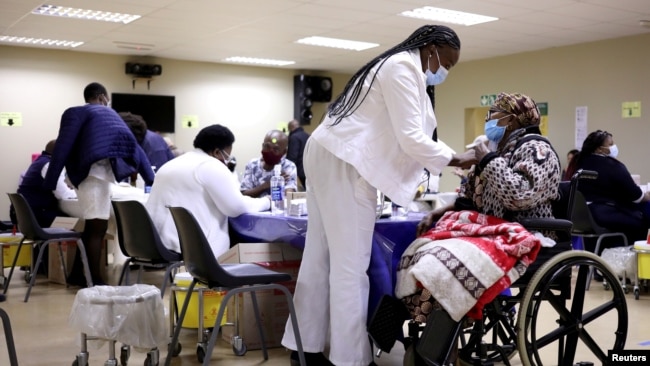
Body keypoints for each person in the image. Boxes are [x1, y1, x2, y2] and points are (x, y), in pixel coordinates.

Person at [281, 25, 477, 366]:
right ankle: (350, 359)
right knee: (350, 267)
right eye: (446, 62)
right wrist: (460, 158)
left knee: (319, 258)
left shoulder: (393, 64)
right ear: (430, 48)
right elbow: (411, 136)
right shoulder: (402, 66)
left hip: (328, 154)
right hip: (344, 162)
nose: (443, 71)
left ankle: (304, 348)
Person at [44, 82, 155, 287]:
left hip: (87, 176)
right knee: (97, 229)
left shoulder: (75, 113)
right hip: (96, 178)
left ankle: (79, 274)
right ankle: (93, 280)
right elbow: (135, 148)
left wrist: (51, 180)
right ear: (103, 97)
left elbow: (62, 147)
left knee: (91, 228)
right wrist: (151, 180)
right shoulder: (110, 114)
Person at [417, 92, 561, 235]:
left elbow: (519, 196)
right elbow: (468, 200)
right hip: (491, 232)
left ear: (510, 120)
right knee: (428, 244)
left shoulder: (538, 149)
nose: (487, 119)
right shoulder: (499, 151)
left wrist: (488, 160)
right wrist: (435, 214)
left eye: (492, 113)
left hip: (526, 235)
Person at [146, 124, 270, 258]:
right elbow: (236, 208)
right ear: (217, 152)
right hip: (188, 246)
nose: (227, 161)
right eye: (227, 156)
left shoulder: (171, 164)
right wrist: (267, 201)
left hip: (154, 242)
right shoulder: (210, 165)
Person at [564, 130, 650, 253]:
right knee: (642, 220)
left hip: (583, 218)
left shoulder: (580, 162)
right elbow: (637, 196)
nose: (613, 147)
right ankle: (631, 263)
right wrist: (647, 195)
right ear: (600, 149)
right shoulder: (612, 165)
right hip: (603, 215)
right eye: (610, 144)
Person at [16, 139, 76, 227]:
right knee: (80, 224)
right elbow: (64, 194)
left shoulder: (40, 161)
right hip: (37, 215)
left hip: (28, 215)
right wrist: (82, 193)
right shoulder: (49, 165)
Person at [240, 129, 298, 197]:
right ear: (262, 146)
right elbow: (244, 194)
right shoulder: (253, 165)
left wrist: (277, 184)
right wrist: (266, 185)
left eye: (276, 149)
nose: (270, 151)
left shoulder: (288, 166)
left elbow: (288, 196)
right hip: (256, 207)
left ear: (284, 152)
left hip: (278, 207)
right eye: (267, 146)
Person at [286, 119, 310, 188]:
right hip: (309, 169)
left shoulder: (294, 137)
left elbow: (292, 156)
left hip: (301, 170)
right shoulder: (307, 135)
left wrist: (288, 171)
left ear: (291, 127)